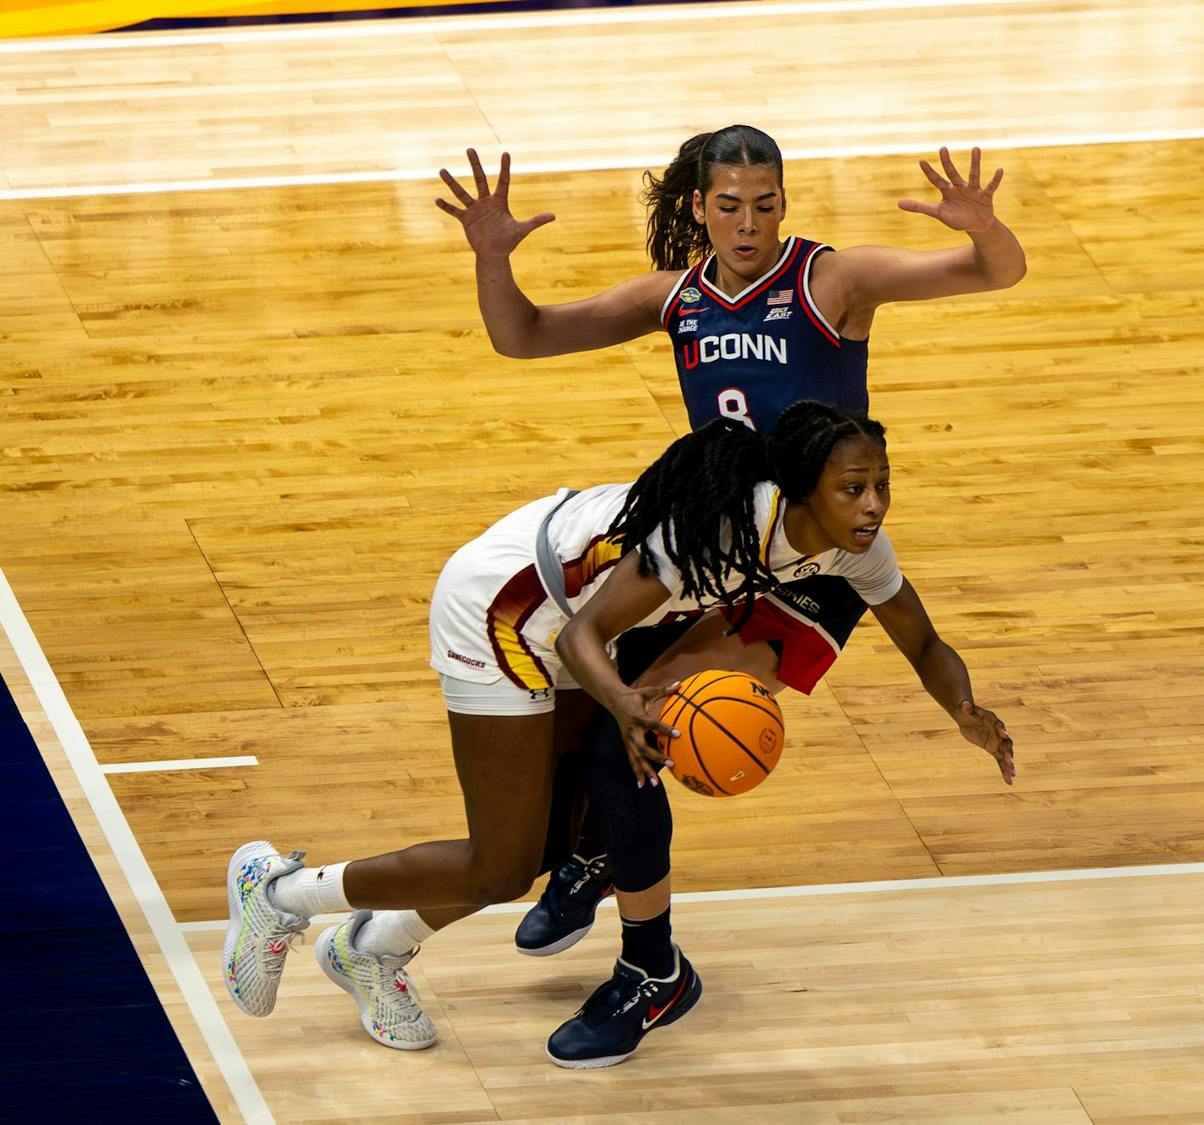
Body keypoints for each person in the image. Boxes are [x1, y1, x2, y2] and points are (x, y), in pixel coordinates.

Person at [221, 403, 1014, 1068]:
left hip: (569, 620)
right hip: (503, 608)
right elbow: (581, 639)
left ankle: (372, 947)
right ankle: (279, 892)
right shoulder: (720, 526)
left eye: (881, 484)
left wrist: (965, 711)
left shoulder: (853, 548)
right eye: (855, 488)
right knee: (501, 865)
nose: (873, 503)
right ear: (807, 489)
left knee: (549, 844)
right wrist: (629, 707)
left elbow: (923, 639)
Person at [434, 124, 1027, 966]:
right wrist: (492, 256)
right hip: (721, 547)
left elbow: (996, 271)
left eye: (765, 205)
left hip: (816, 556)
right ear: (697, 208)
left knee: (638, 730)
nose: (749, 224)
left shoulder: (832, 280)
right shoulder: (672, 298)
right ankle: (596, 855)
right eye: (729, 207)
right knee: (599, 725)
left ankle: (644, 953)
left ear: (784, 204)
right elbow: (521, 335)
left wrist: (982, 228)